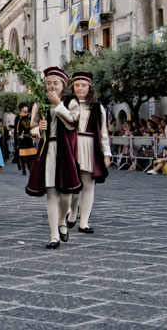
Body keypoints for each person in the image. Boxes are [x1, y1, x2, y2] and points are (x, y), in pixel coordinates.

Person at [26, 67, 81, 249]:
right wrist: (38, 129)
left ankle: (62, 218)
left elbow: (73, 123)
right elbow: (32, 128)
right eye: (48, 83)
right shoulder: (40, 104)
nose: (51, 86)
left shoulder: (71, 102)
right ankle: (53, 235)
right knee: (51, 192)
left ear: (63, 85)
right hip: (48, 149)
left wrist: (58, 105)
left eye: (55, 83)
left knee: (66, 194)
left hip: (64, 150)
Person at [65, 72, 110, 234]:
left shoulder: (98, 107)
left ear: (89, 87)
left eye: (83, 85)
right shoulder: (67, 104)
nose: (80, 88)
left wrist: (106, 154)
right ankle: (73, 210)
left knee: (88, 185)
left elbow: (104, 131)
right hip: (72, 145)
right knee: (73, 184)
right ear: (73, 87)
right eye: (77, 85)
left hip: (90, 147)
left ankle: (84, 222)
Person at [15, 103, 36, 175]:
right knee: (23, 155)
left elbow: (33, 126)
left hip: (29, 138)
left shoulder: (30, 116)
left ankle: (31, 169)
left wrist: (34, 136)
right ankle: (23, 169)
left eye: (27, 107)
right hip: (22, 139)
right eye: (25, 107)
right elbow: (16, 129)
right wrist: (17, 139)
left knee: (31, 155)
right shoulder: (18, 117)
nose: (27, 108)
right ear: (21, 108)